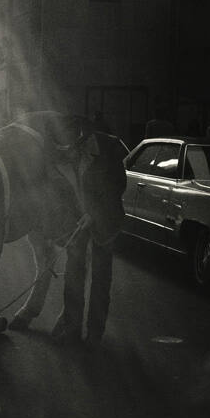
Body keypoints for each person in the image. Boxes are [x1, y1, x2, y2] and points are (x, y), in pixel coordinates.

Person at [49, 117, 127, 349]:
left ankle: (95, 333)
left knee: (101, 279)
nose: (67, 155)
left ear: (80, 141)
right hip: (76, 224)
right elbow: (59, 195)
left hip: (105, 221)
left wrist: (93, 212)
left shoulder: (107, 150)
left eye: (70, 150)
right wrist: (62, 227)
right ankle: (71, 328)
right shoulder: (57, 157)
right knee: (73, 276)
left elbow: (117, 186)